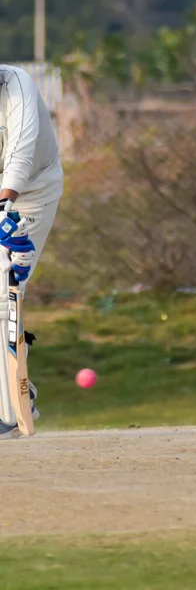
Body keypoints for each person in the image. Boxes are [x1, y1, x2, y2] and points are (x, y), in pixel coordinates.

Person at [0, 65, 64, 436]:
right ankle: (23, 391)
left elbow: (21, 151)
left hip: (32, 193)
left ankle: (8, 413)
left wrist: (5, 206)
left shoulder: (16, 83)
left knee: (4, 294)